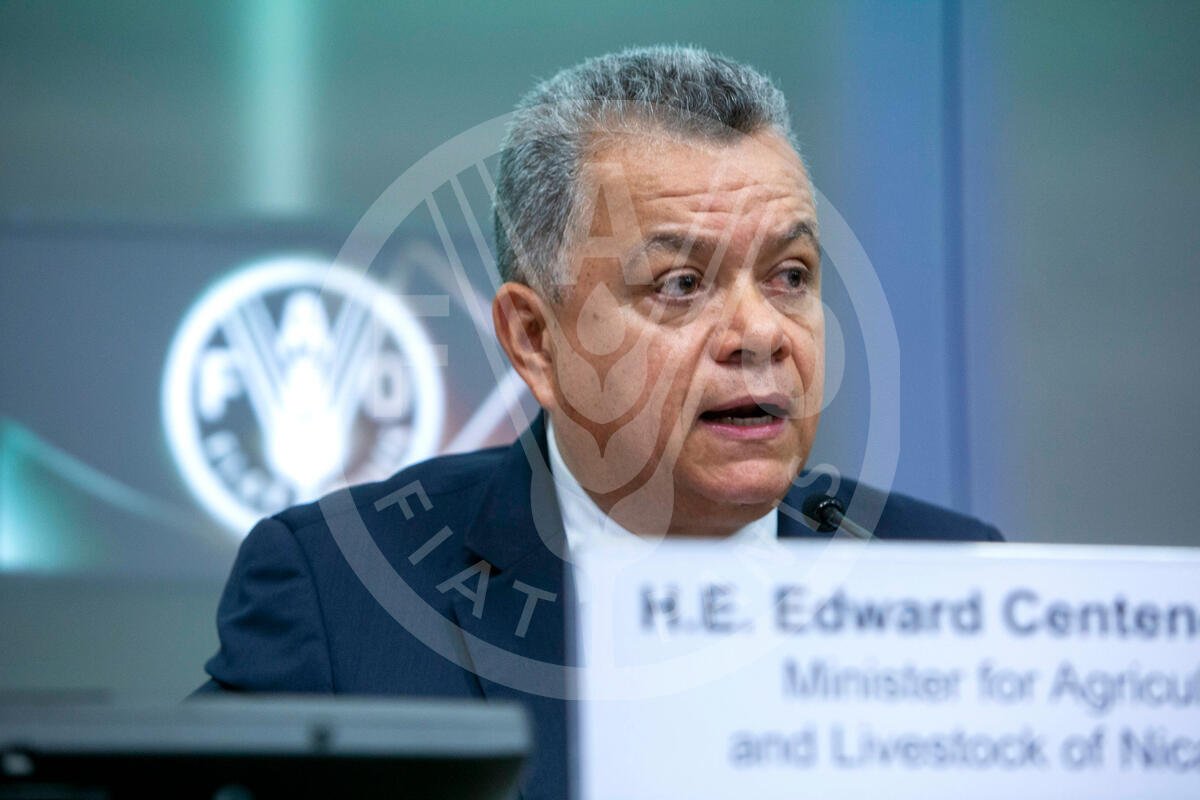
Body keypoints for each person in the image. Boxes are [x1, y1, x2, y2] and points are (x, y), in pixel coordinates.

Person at [196, 45, 1002, 800]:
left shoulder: (961, 586)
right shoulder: (340, 595)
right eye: (681, 284)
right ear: (534, 340)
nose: (760, 333)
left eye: (790, 275)